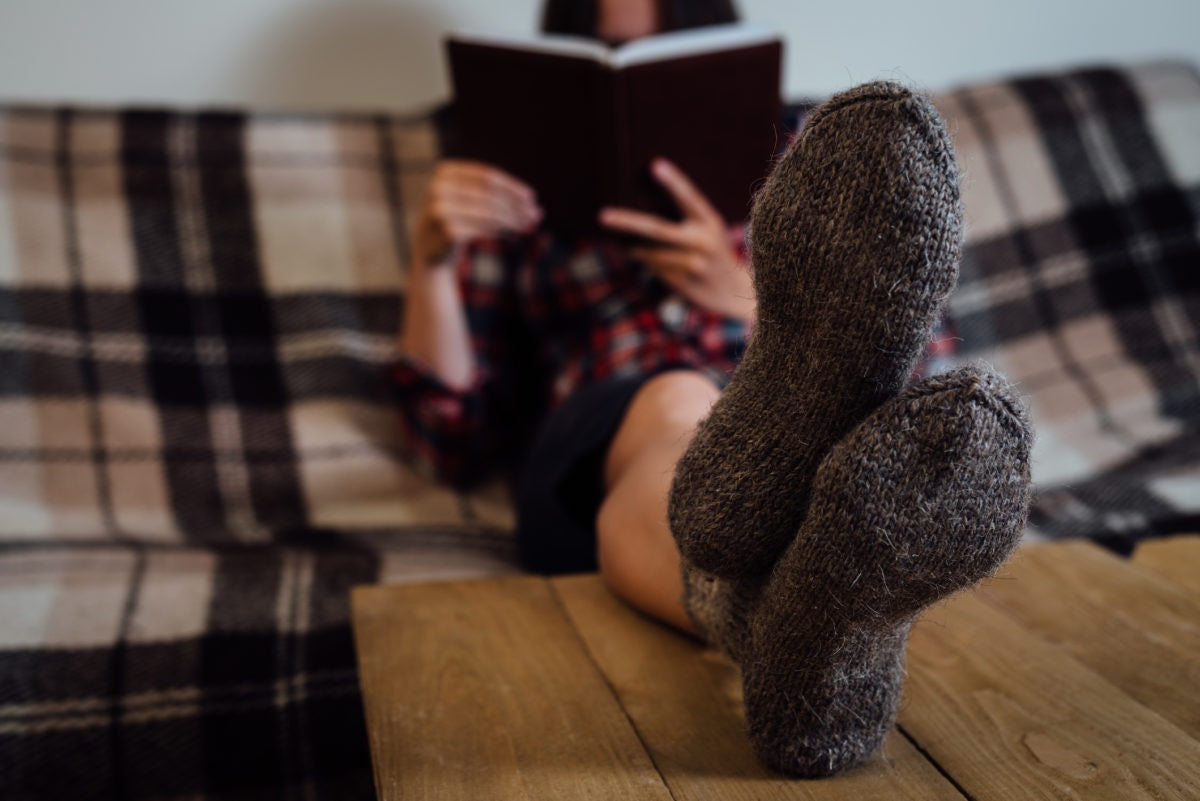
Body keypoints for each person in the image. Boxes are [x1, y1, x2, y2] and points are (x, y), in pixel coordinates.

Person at [397, 0, 1033, 777]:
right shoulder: (512, 188)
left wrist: (744, 292)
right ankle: (741, 504)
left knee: (798, 431)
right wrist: (430, 260)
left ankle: (786, 616)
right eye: (604, 49)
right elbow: (450, 438)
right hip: (600, 436)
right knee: (678, 402)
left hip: (804, 436)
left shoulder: (813, 158)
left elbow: (921, 369)